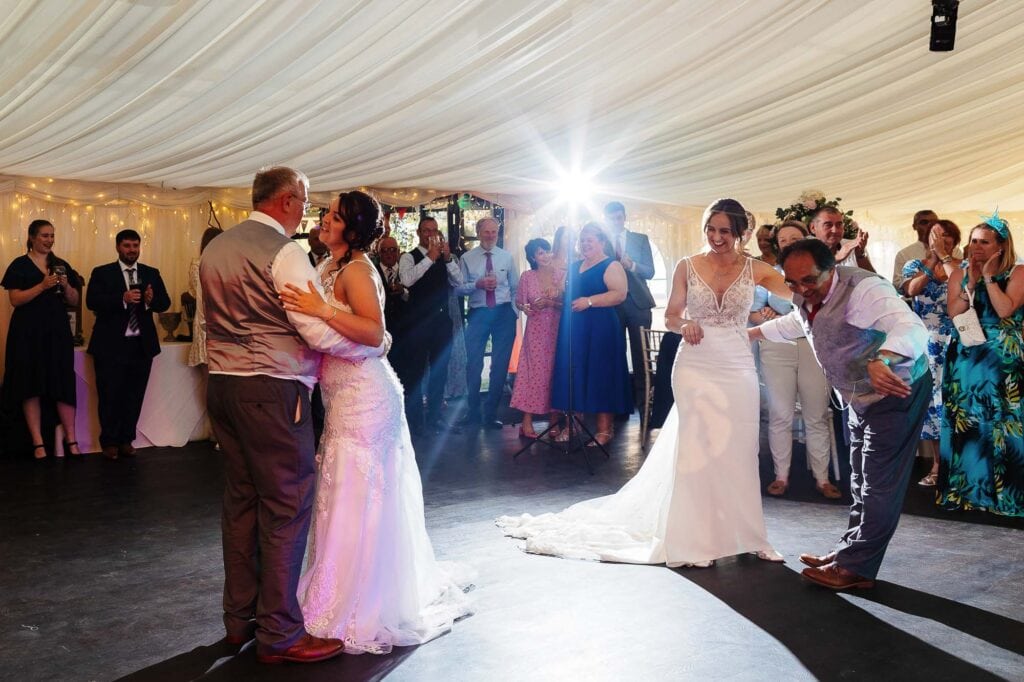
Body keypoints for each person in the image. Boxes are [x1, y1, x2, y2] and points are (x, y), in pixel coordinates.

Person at [500, 200, 789, 568]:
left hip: (738, 366)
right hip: (695, 364)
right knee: (696, 451)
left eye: (725, 232)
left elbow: (804, 294)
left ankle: (750, 535)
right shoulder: (688, 265)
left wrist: (768, 324)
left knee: (741, 450)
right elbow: (670, 316)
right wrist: (685, 324)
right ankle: (695, 537)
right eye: (711, 229)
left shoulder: (757, 269)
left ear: (740, 234)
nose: (716, 237)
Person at [279, 190, 471, 654]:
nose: (324, 220)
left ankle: (364, 602)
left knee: (360, 493)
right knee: (340, 491)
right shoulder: (329, 265)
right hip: (341, 393)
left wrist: (323, 310)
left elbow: (373, 332)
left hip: (366, 396)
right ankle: (332, 588)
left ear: (352, 228)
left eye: (333, 215)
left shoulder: (359, 270)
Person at [201, 167, 380, 664]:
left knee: (241, 503)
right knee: (286, 505)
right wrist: (372, 346)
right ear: (286, 200)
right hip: (272, 390)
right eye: (303, 201)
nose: (306, 211)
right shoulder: (285, 253)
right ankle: (279, 633)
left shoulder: (215, 248)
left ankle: (238, 620)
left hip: (222, 386)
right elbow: (314, 332)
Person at [750, 239, 931, 590]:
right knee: (859, 477)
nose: (802, 290)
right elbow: (799, 323)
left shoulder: (865, 289)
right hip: (857, 396)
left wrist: (884, 359)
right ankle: (848, 553)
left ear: (831, 268)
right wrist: (755, 333)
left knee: (878, 483)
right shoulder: (805, 293)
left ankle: (856, 568)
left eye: (809, 280)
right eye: (793, 282)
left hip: (896, 391)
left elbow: (911, 328)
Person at [935, 214, 1024, 517]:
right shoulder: (959, 274)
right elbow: (955, 313)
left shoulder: (1018, 272)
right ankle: (969, 493)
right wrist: (971, 283)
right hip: (967, 357)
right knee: (968, 420)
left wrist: (988, 278)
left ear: (1001, 246)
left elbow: (1004, 309)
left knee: (1003, 422)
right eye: (973, 241)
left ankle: (1004, 495)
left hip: (1002, 359)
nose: (976, 247)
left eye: (984, 242)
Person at [749, 221, 837, 499]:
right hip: (776, 348)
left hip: (813, 347)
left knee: (817, 414)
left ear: (806, 239)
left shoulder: (820, 274)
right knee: (780, 415)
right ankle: (781, 476)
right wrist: (773, 319)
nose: (788, 243)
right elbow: (753, 312)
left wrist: (783, 318)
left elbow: (825, 310)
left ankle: (822, 479)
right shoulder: (769, 274)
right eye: (783, 240)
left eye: (794, 238)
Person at [86, 229, 171, 460]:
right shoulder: (102, 272)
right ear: (118, 247)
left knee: (134, 395)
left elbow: (165, 303)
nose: (132, 250)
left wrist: (152, 301)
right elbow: (91, 301)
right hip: (110, 346)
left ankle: (126, 439)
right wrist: (121, 299)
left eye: (135, 246)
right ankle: (109, 441)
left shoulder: (151, 273)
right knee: (109, 395)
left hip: (141, 345)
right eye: (127, 246)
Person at [2, 219, 82, 459]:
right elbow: (15, 300)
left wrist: (66, 286)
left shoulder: (60, 265)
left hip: (57, 333)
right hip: (27, 334)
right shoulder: (19, 265)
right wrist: (42, 286)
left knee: (63, 383)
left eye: (52, 236)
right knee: (30, 384)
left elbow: (75, 300)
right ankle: (38, 443)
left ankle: (72, 440)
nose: (49, 240)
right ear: (32, 237)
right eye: (45, 236)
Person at [549, 223, 630, 447]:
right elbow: (568, 293)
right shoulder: (574, 266)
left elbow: (620, 294)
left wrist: (590, 301)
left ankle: (605, 430)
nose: (585, 244)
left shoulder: (611, 264)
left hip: (601, 327)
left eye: (590, 240)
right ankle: (573, 424)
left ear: (602, 242)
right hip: (574, 327)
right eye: (582, 240)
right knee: (573, 372)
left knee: (601, 374)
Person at [901, 219, 961, 487]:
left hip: (957, 341)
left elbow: (966, 287)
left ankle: (961, 467)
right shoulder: (914, 265)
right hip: (926, 343)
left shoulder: (962, 265)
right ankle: (937, 465)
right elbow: (912, 289)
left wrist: (945, 259)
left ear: (955, 240)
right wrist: (932, 260)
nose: (941, 240)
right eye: (936, 235)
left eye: (947, 236)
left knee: (955, 402)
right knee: (933, 405)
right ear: (927, 238)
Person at [399, 217, 463, 435]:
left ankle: (436, 418)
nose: (431, 234)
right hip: (418, 323)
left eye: (434, 230)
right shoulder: (409, 257)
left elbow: (459, 282)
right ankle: (416, 422)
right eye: (426, 230)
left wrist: (447, 259)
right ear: (418, 232)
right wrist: (429, 258)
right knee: (416, 372)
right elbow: (406, 280)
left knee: (439, 371)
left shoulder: (445, 258)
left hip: (441, 321)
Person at [457, 217, 520, 429]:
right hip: (478, 313)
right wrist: (477, 284)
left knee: (500, 365)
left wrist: (513, 312)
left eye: (494, 232)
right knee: (474, 364)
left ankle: (491, 414)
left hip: (503, 314)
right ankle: (473, 411)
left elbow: (515, 288)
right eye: (486, 232)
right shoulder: (467, 258)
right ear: (478, 232)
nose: (491, 235)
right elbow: (458, 288)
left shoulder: (506, 257)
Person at [604, 202, 656, 411]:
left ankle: (645, 408)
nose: (615, 222)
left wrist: (632, 265)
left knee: (642, 356)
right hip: (612, 305)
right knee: (615, 355)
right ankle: (620, 406)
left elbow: (650, 271)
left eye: (618, 217)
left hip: (639, 303)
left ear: (624, 217)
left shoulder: (640, 239)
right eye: (611, 219)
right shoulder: (602, 242)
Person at [510, 238, 562, 439]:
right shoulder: (527, 276)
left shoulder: (561, 275)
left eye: (547, 251)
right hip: (536, 332)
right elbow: (519, 302)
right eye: (540, 253)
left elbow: (569, 304)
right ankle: (526, 421)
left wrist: (550, 303)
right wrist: (526, 308)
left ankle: (554, 420)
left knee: (555, 372)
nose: (546, 255)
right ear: (533, 257)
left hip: (558, 330)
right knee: (533, 373)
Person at [187, 226, 222, 368]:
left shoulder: (227, 264)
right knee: (209, 366)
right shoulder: (198, 264)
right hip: (207, 316)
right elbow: (196, 291)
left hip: (223, 318)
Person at [374, 236, 409, 374]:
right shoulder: (372, 271)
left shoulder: (407, 270)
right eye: (385, 250)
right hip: (382, 330)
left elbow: (417, 297)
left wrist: (403, 291)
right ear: (379, 253)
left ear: (398, 252)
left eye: (393, 250)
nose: (389, 254)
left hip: (405, 329)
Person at [808, 206, 875, 271]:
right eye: (828, 225)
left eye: (839, 225)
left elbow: (874, 277)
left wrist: (860, 255)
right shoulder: (804, 249)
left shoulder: (853, 246)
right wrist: (837, 258)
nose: (835, 230)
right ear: (813, 228)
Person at [892, 210, 939, 294]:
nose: (930, 225)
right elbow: (897, 285)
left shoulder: (953, 250)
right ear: (914, 226)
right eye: (924, 222)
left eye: (934, 222)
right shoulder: (904, 254)